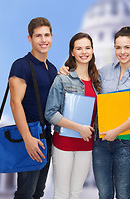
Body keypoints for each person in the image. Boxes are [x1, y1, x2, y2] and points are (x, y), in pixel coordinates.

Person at [59, 26, 130, 199]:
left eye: (127, 47)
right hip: (100, 142)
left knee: (123, 194)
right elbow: (84, 83)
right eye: (118, 47)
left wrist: (116, 131)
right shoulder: (104, 71)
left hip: (125, 142)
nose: (122, 52)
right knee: (104, 193)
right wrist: (65, 71)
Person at [44, 32, 100, 199]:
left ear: (92, 50)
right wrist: (79, 128)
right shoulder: (63, 78)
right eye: (79, 48)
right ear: (72, 52)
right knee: (62, 193)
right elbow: (50, 113)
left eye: (88, 48)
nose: (84, 52)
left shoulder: (97, 81)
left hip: (86, 145)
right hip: (64, 144)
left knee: (76, 194)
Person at [9, 17, 58, 199]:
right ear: (30, 39)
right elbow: (15, 103)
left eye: (46, 35)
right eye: (38, 36)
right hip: (30, 135)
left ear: (52, 37)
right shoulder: (21, 65)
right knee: (25, 193)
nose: (43, 40)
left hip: (47, 137)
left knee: (38, 192)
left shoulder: (52, 69)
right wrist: (27, 138)